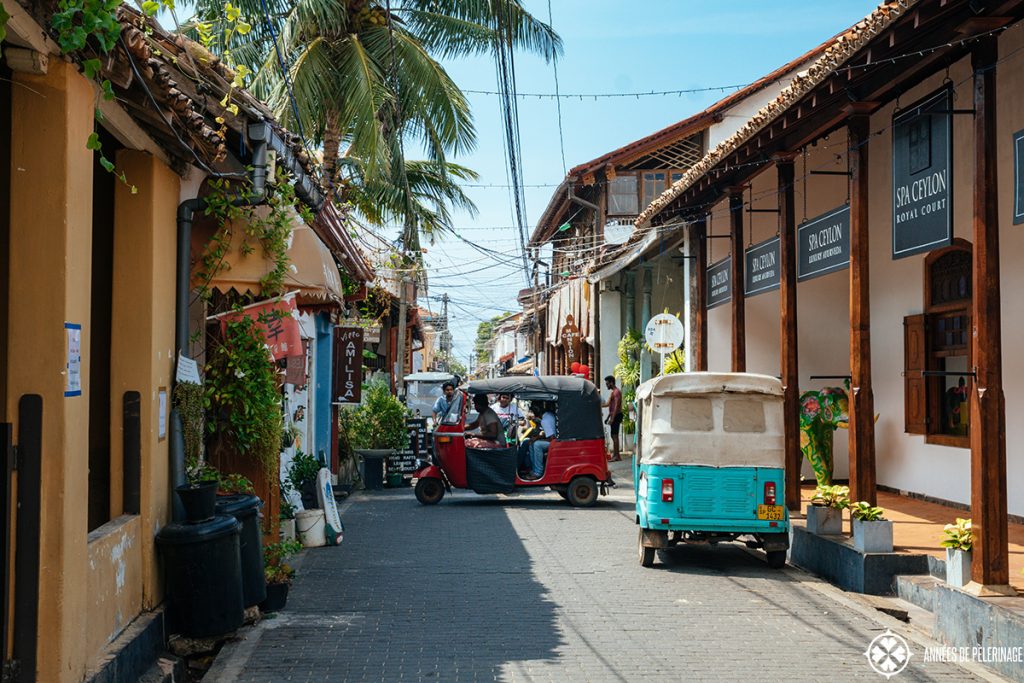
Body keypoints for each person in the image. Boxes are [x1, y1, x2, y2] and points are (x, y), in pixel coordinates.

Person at [523, 402, 556, 480]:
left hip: (554, 442)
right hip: (553, 439)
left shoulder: (544, 421)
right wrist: (537, 437)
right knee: (531, 443)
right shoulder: (548, 414)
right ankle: (533, 469)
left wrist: (537, 438)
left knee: (537, 444)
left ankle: (538, 472)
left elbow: (551, 438)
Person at [603, 375, 623, 462]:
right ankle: (616, 455)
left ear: (611, 383)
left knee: (615, 436)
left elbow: (616, 407)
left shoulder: (617, 392)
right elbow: (608, 405)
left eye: (607, 384)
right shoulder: (612, 393)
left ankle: (616, 456)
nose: (606, 385)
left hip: (617, 415)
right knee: (613, 435)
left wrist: (612, 418)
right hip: (613, 415)